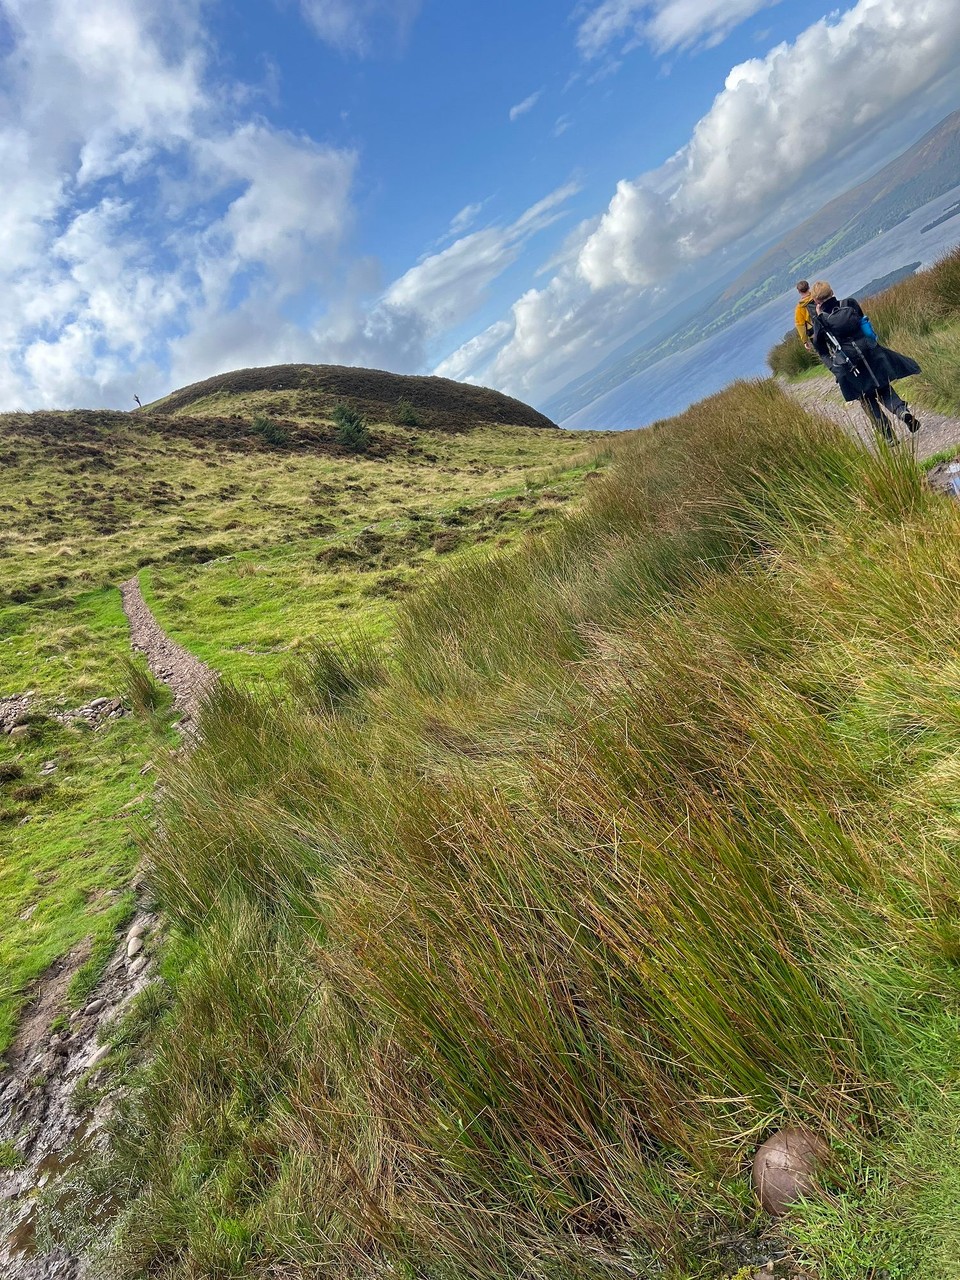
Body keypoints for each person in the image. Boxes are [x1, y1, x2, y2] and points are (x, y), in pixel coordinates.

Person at [809, 280, 921, 443]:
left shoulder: (820, 322)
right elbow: (863, 324)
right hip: (870, 353)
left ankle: (890, 438)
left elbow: (821, 350)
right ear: (832, 292)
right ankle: (902, 411)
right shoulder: (850, 304)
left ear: (817, 301)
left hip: (849, 365)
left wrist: (834, 368)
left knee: (867, 400)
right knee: (884, 389)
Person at [794, 280, 817, 352]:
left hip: (814, 332)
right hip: (827, 324)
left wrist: (805, 341)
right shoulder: (817, 296)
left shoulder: (799, 307)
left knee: (824, 354)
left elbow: (800, 325)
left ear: (799, 291)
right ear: (808, 287)